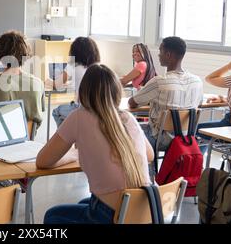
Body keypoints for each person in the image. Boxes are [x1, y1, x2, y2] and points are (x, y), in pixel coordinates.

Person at [37, 64, 154, 224]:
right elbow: (150, 155)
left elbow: (43, 161)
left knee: (52, 216)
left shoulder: (78, 117)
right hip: (143, 211)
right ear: (116, 92)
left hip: (112, 216)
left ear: (84, 92)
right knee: (84, 203)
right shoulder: (127, 118)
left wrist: (74, 154)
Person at [128, 37, 203, 154]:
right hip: (186, 138)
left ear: (168, 54)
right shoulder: (197, 81)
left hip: (160, 139)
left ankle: (148, 170)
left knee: (127, 130)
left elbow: (132, 102)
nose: (158, 55)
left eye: (160, 51)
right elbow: (199, 104)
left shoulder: (159, 81)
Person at [196, 42, 231, 150]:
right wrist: (225, 99)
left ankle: (195, 165)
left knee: (196, 129)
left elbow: (210, 78)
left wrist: (230, 65)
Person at [49, 37, 100, 127]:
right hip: (97, 108)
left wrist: (48, 81)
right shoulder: (97, 66)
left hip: (81, 108)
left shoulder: (72, 65)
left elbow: (57, 85)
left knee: (56, 112)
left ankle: (65, 138)